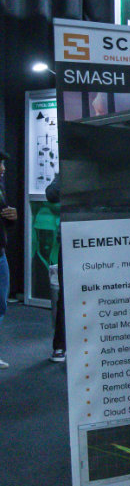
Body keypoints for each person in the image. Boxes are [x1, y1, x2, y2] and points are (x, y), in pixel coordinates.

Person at [45, 173, 66, 362]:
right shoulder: (66, 171)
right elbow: (51, 194)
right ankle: (60, 345)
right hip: (70, 241)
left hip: (100, 238)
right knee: (65, 296)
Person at [0, 149, 17, 370]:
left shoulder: (1, 188)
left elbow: (5, 218)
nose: (3, 169)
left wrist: (12, 217)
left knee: (1, 305)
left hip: (1, 254)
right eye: (0, 164)